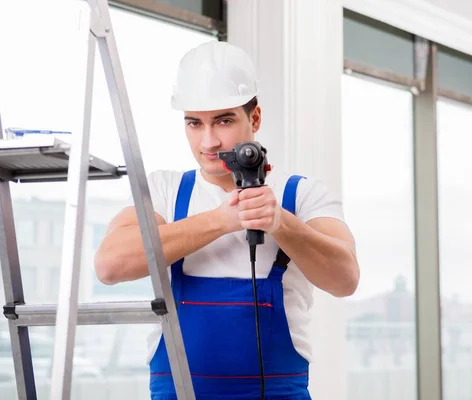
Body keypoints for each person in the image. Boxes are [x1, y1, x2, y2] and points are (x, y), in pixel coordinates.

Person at [94, 40, 360, 399]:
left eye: (223, 120)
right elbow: (110, 265)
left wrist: (281, 223)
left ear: (255, 118)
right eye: (194, 123)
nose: (208, 141)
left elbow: (345, 279)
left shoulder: (303, 195)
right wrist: (221, 220)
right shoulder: (163, 191)